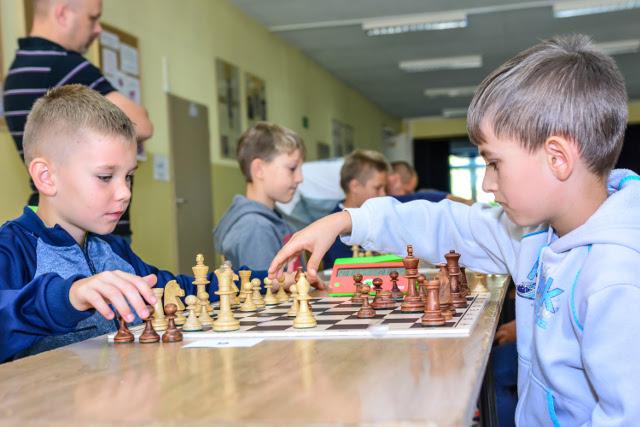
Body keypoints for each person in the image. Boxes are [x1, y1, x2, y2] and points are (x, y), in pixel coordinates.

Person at [270, 35, 640, 425]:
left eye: (494, 163)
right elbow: (447, 223)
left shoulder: (617, 278)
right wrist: (348, 220)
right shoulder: (533, 233)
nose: (487, 184)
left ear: (557, 158)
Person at [0, 85, 210, 364]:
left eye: (128, 177)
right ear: (46, 177)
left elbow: (174, 289)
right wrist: (68, 297)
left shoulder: (113, 250)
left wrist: (263, 278)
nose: (125, 193)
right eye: (105, 177)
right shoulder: (12, 249)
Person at [2, 0, 153, 240]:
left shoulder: (15, 74)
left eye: (127, 177)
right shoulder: (64, 65)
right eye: (92, 18)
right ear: (63, 13)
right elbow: (141, 124)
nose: (98, 29)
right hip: (96, 231)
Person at [214, 122, 306, 274]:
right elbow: (265, 287)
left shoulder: (271, 219)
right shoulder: (256, 229)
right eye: (292, 168)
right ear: (259, 169)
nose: (300, 178)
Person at [322, 149, 389, 268]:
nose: (383, 194)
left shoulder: (381, 217)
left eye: (385, 188)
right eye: (378, 188)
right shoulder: (331, 226)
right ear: (355, 186)